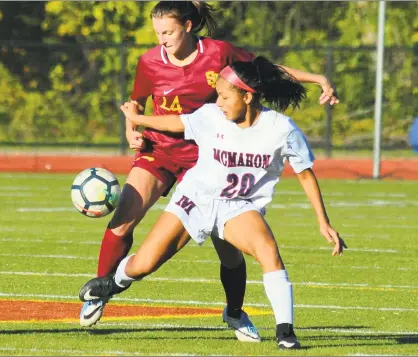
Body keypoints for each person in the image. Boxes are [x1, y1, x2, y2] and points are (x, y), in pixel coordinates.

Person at [80, 1, 340, 341]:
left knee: (228, 247)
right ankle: (103, 292)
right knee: (122, 221)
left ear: (188, 27)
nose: (163, 40)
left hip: (208, 158)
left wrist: (317, 78)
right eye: (158, 33)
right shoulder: (148, 62)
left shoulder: (219, 54)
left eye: (169, 32)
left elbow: (265, 71)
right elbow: (138, 102)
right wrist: (133, 128)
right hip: (160, 151)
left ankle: (234, 312)